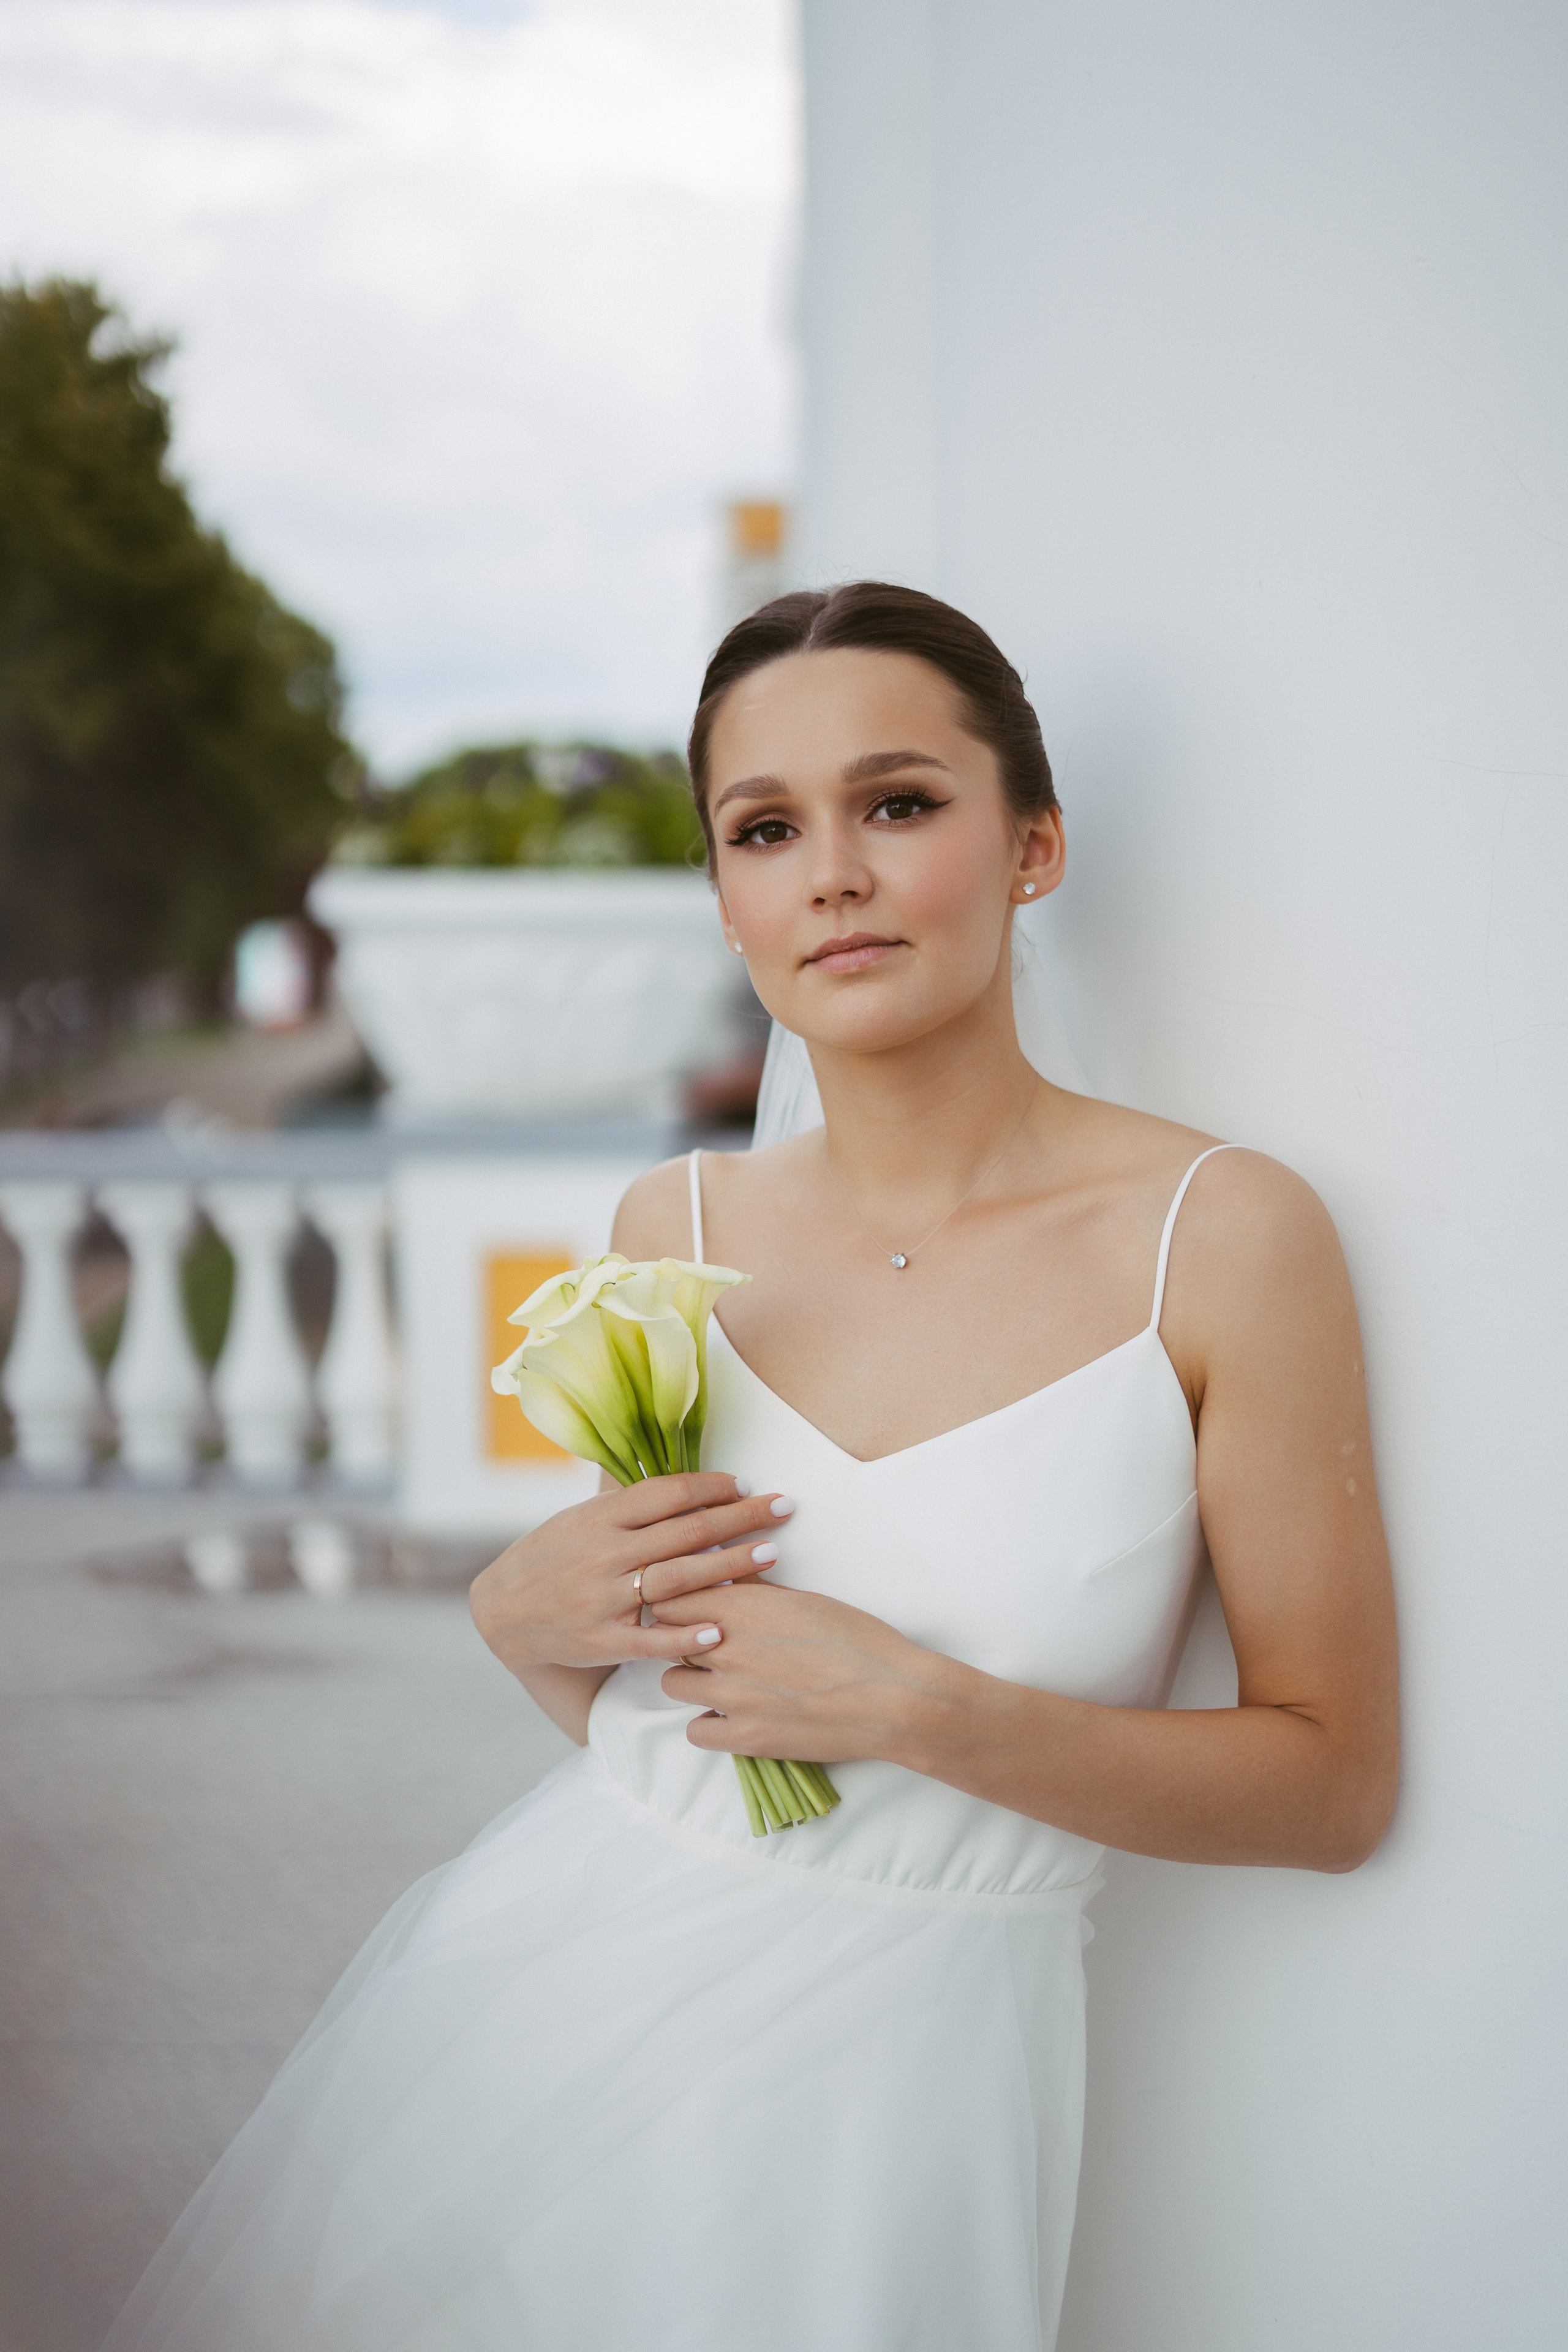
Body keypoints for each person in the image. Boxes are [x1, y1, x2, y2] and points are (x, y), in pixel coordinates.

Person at [105, 583, 1399, 2352]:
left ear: (1034, 847)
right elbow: (684, 1729)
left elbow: (1334, 1788)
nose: (833, 877)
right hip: (551, 2013)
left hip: (915, 2098)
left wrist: (929, 1712)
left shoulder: (1223, 1238)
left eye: (900, 804)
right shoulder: (675, 1227)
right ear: (726, 901)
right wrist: (524, 1627)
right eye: (766, 830)